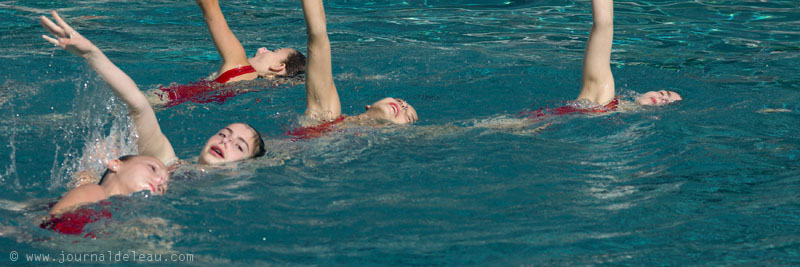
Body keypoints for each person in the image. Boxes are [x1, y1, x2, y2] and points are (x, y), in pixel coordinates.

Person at [40, 11, 266, 168]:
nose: (225, 141)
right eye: (223, 134)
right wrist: (92, 54)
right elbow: (139, 105)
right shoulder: (167, 164)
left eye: (238, 146)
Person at [289, 0, 418, 139]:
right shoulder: (326, 116)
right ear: (369, 106)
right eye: (400, 100)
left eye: (409, 117)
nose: (403, 106)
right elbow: (318, 37)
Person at [154, 0, 306, 107]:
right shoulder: (253, 89)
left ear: (278, 66)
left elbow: (209, 5)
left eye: (274, 51)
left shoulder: (240, 66)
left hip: (156, 102)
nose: (262, 48)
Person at [574, 0, 681, 110]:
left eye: (667, 103)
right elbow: (603, 24)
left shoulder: (629, 123)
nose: (662, 99)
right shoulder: (603, 94)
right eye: (663, 94)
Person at [40, 155, 169, 236]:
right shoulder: (94, 191)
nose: (159, 181)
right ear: (115, 164)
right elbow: (53, 225)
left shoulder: (131, 216)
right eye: (152, 168)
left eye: (162, 188)